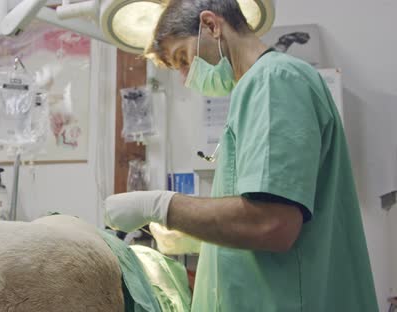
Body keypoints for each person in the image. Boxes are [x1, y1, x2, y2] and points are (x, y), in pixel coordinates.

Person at [104, 0, 379, 311]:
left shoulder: (276, 81)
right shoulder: (258, 88)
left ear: (211, 25)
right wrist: (198, 237)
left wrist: (159, 205)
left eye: (183, 58)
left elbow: (271, 224)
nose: (185, 77)